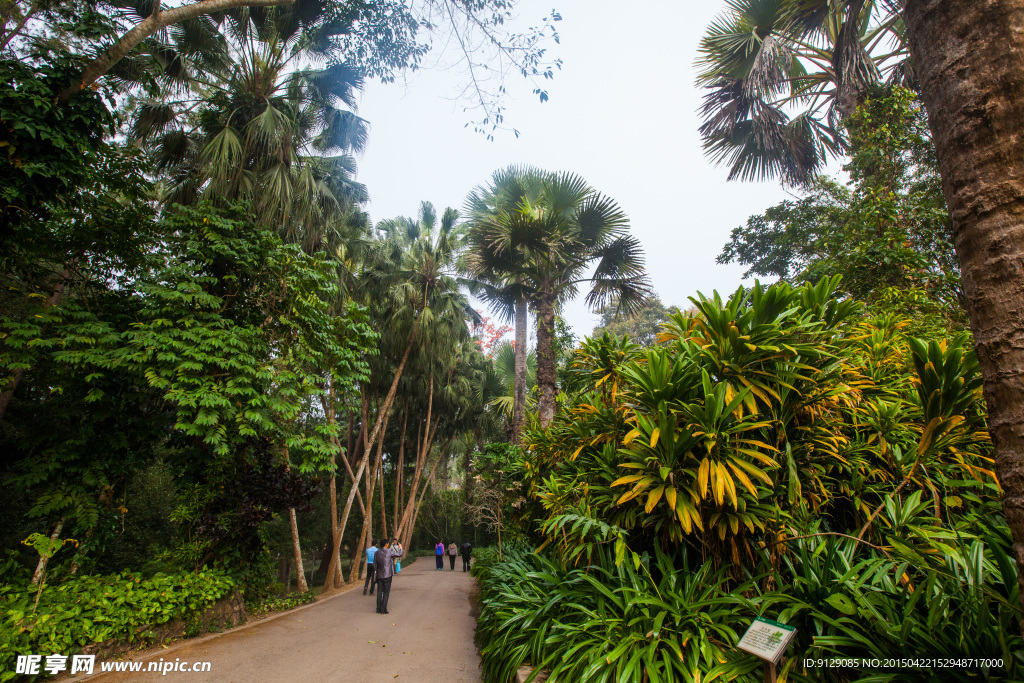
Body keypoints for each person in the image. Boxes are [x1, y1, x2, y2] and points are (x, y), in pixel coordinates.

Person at [373, 539, 404, 615]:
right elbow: (399, 554)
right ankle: (384, 609)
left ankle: (378, 608)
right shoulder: (389, 551)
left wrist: (376, 573)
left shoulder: (377, 553)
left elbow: (375, 564)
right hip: (388, 575)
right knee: (386, 592)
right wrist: (400, 548)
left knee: (379, 591)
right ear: (386, 544)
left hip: (380, 575)